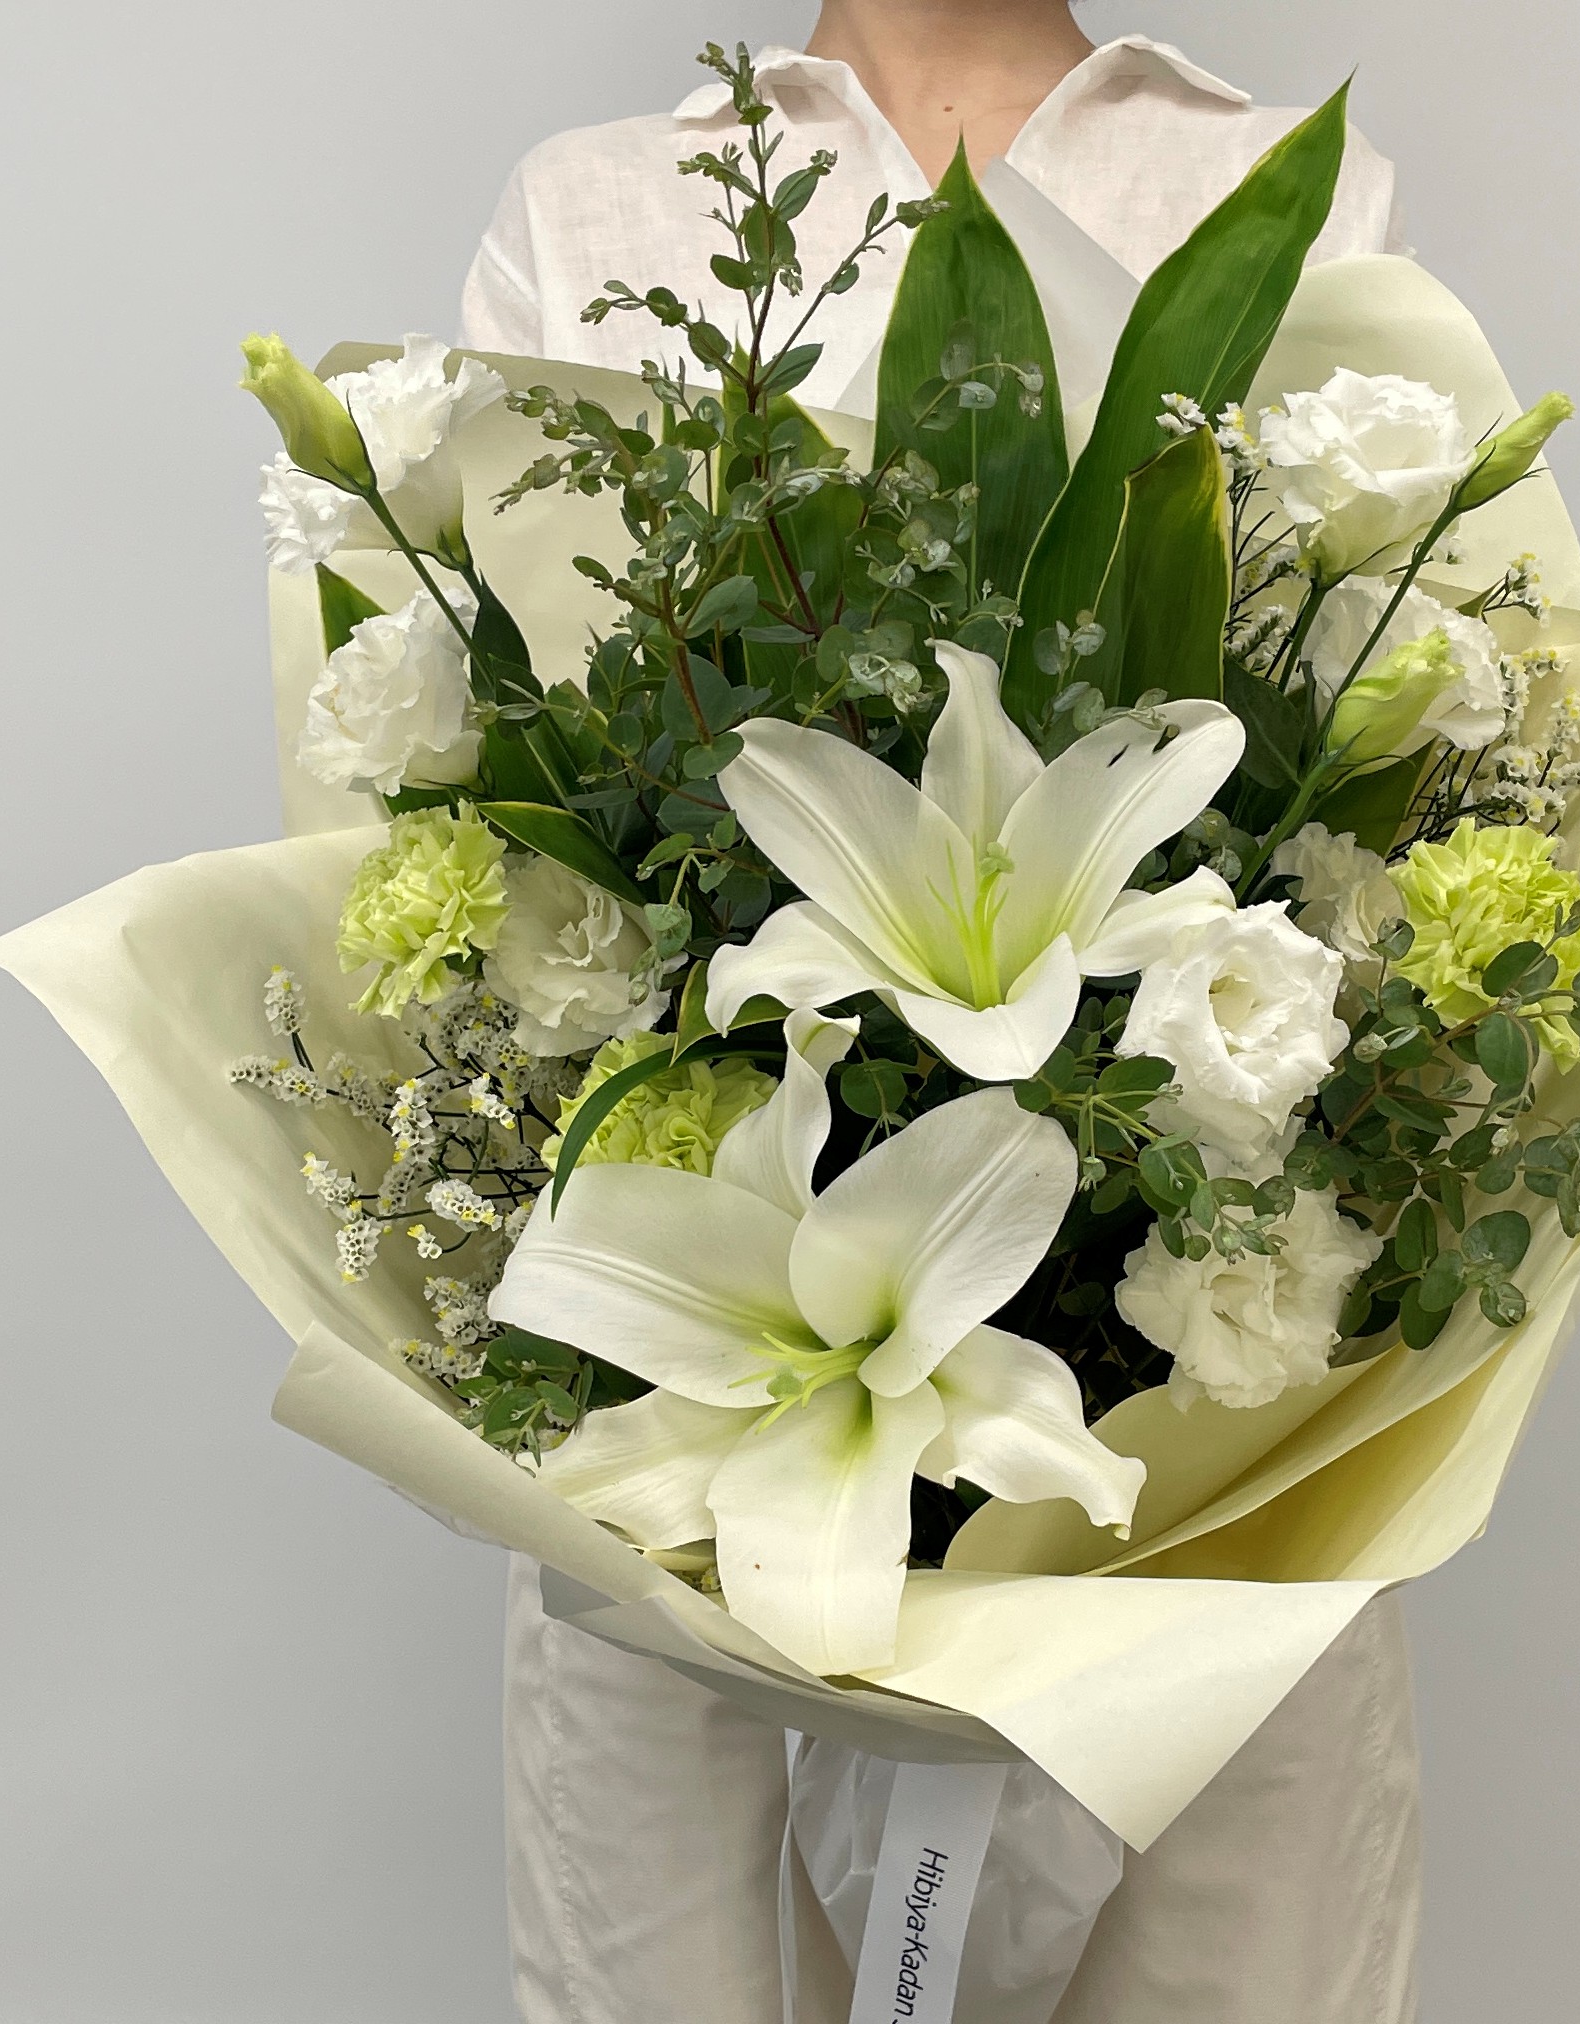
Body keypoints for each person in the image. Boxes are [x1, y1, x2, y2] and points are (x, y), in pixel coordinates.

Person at [458, 7, 1420, 2020]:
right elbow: (490, 803)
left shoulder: (1272, 190)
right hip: (710, 1367)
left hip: (1197, 1375)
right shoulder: (599, 210)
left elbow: (1381, 787)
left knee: (1254, 1941)